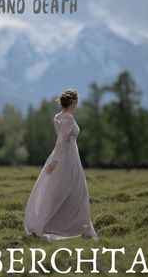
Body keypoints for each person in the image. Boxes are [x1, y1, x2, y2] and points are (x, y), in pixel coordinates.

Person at [24, 89, 98, 241]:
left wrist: (55, 157)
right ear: (74, 102)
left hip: (64, 156)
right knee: (77, 192)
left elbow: (60, 140)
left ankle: (83, 228)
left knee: (58, 191)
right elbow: (62, 139)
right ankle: (83, 229)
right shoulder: (68, 117)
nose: (77, 105)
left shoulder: (58, 116)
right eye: (77, 102)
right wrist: (56, 159)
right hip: (67, 158)